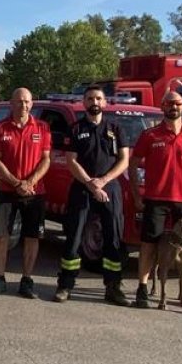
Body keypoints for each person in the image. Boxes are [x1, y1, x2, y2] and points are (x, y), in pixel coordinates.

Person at [52, 86, 131, 306]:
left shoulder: (116, 128)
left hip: (110, 189)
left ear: (105, 103)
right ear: (84, 102)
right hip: (82, 188)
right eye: (89, 98)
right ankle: (65, 285)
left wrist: (103, 182)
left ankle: (113, 287)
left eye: (98, 98)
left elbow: (124, 160)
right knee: (74, 237)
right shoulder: (75, 129)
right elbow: (71, 160)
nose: (94, 102)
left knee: (113, 238)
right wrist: (90, 184)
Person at [129, 91, 182, 310]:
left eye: (178, 103)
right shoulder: (150, 135)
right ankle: (142, 289)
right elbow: (133, 164)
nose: (174, 107)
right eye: (169, 104)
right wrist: (137, 194)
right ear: (162, 107)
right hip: (156, 198)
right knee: (149, 244)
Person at [0, 87, 51, 299]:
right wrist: (16, 183)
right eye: (19, 101)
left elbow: (46, 159)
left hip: (35, 192)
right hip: (7, 191)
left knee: (32, 237)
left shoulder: (42, 128)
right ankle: (0, 278)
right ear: (11, 103)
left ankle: (26, 280)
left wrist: (30, 182)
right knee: (2, 235)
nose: (23, 105)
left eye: (27, 101)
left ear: (31, 104)